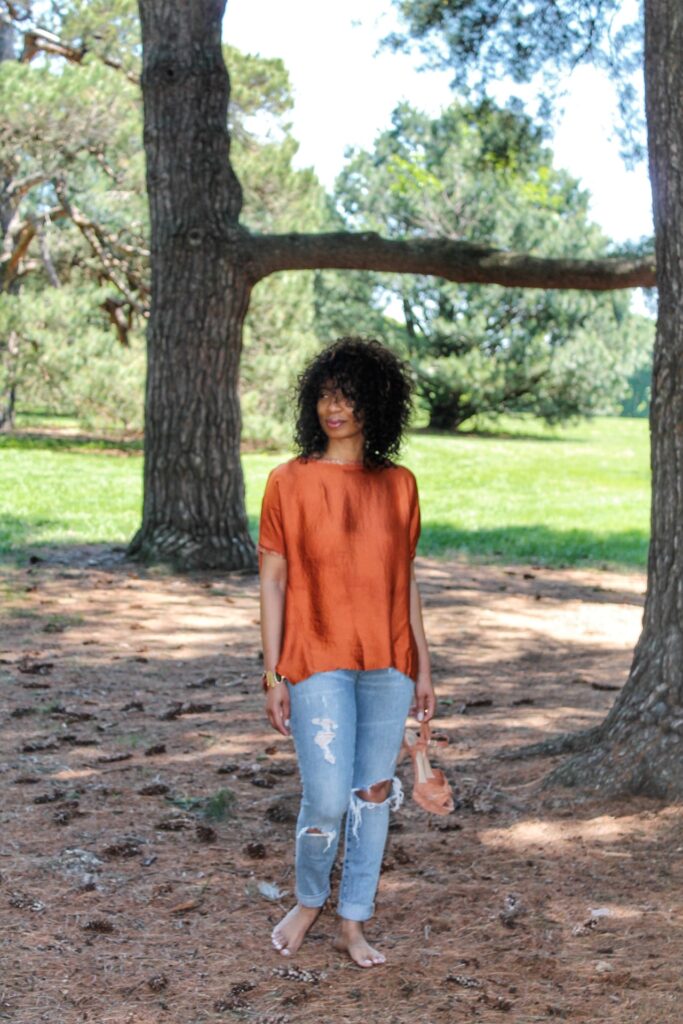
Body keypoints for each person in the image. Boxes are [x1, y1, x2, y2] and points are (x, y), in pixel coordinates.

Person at [258, 336, 435, 968]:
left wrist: (424, 666)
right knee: (328, 797)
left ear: (377, 404)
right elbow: (274, 580)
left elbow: (406, 580)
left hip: (388, 662)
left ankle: (353, 921)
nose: (335, 408)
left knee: (373, 796)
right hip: (314, 658)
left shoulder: (400, 486)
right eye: (327, 395)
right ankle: (309, 900)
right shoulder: (288, 481)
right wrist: (274, 671)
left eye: (350, 395)